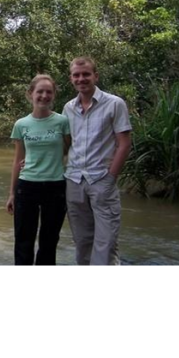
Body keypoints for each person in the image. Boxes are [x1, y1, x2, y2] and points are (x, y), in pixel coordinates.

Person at [62, 57, 132, 266]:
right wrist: (31, 162)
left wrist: (111, 178)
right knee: (82, 241)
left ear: (95, 76)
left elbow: (124, 144)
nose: (81, 79)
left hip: (102, 180)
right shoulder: (68, 108)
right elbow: (65, 146)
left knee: (106, 242)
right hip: (73, 181)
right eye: (76, 75)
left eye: (86, 74)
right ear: (71, 79)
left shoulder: (114, 104)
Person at [7, 74, 71, 266]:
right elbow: (18, 160)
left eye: (48, 92)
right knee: (23, 241)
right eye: (39, 91)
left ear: (54, 95)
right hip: (27, 187)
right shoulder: (21, 124)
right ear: (30, 94)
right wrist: (11, 193)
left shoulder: (62, 122)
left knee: (49, 241)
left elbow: (69, 150)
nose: (44, 96)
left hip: (56, 186)